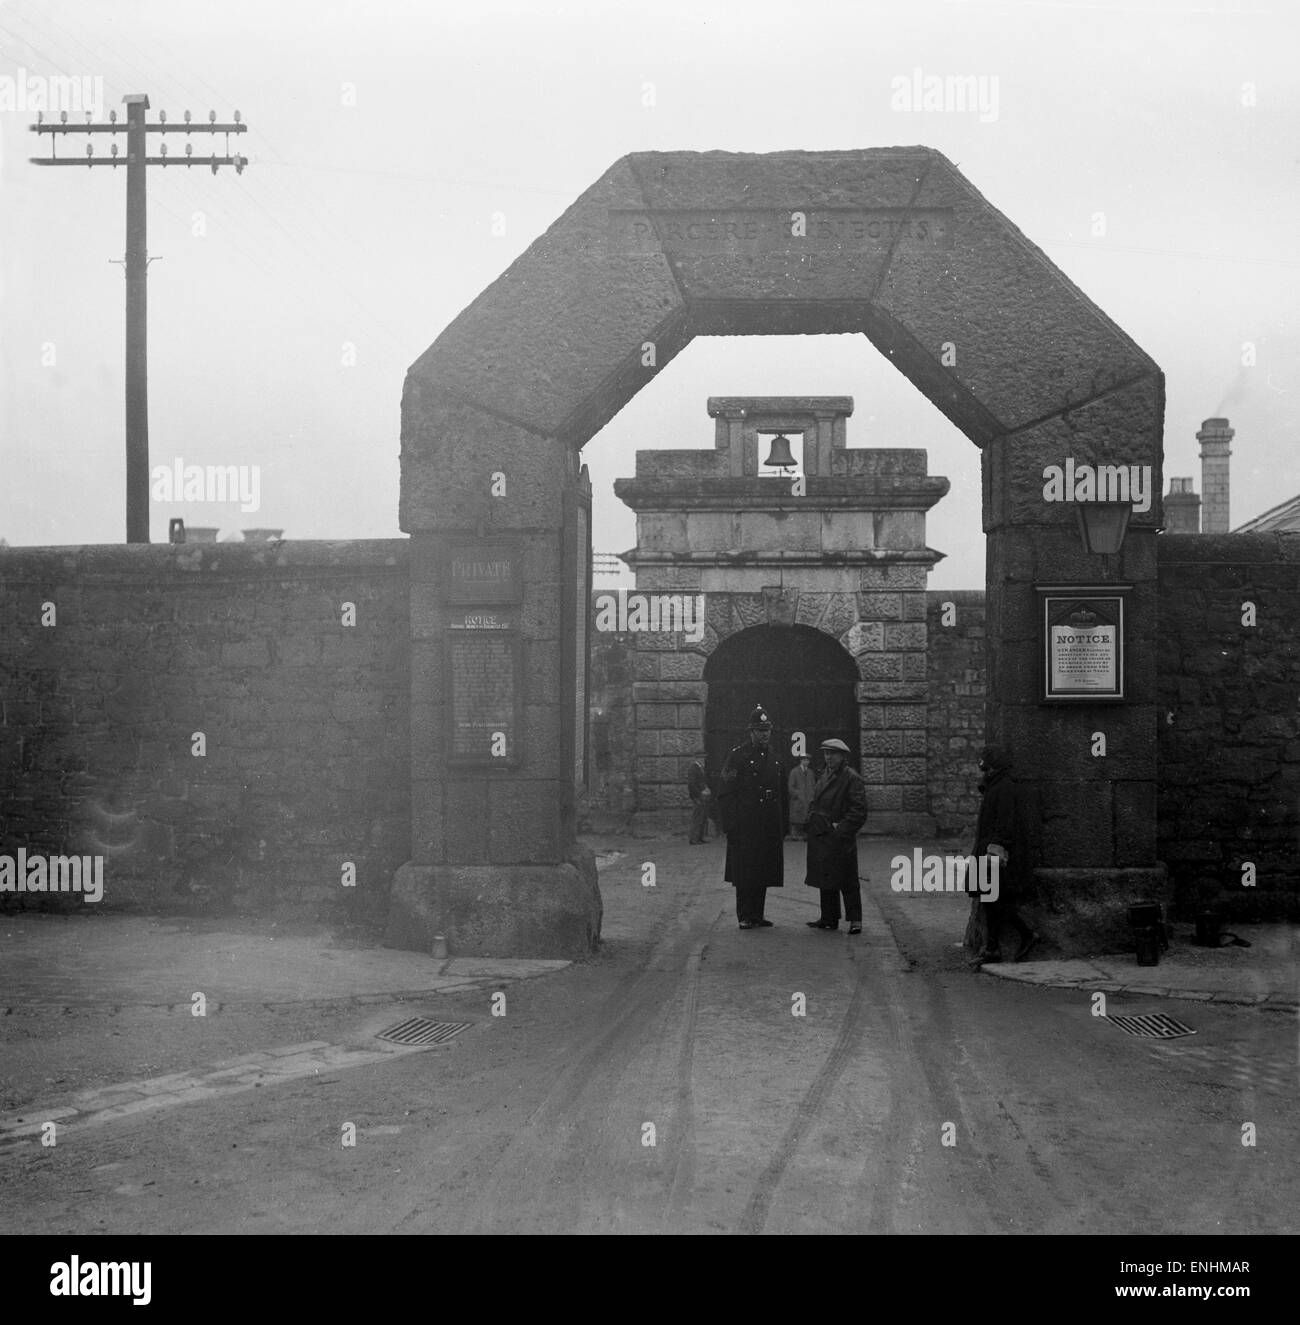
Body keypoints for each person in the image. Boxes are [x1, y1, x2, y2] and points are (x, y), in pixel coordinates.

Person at [967, 745, 1039, 963]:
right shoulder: (996, 785)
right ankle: (993, 947)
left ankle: (1022, 935)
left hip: (995, 853)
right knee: (990, 900)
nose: (982, 766)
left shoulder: (1004, 787)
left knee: (995, 900)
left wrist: (994, 849)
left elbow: (1005, 825)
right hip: (988, 851)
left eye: (985, 762)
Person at [717, 705, 785, 929]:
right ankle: (745, 915)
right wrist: (731, 826)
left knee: (762, 870)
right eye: (759, 730)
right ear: (751, 732)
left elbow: (780, 793)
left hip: (766, 825)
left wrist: (780, 824)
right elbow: (726, 793)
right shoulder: (738, 756)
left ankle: (757, 914)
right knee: (745, 872)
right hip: (745, 826)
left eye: (767, 730)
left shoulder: (774, 757)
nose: (764, 734)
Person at [804, 738, 869, 934]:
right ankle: (829, 918)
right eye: (826, 753)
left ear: (843, 756)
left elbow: (859, 812)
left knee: (848, 879)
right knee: (826, 877)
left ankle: (855, 920)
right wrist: (810, 818)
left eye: (833, 753)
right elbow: (816, 801)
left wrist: (840, 829)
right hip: (822, 834)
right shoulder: (824, 775)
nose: (828, 757)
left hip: (840, 837)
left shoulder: (851, 778)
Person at [687, 752, 714, 844]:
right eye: (701, 758)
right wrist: (697, 795)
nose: (703, 759)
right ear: (696, 758)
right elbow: (692, 784)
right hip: (698, 796)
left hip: (703, 796)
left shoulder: (700, 768)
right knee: (697, 818)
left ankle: (699, 837)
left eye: (703, 757)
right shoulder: (693, 768)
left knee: (702, 818)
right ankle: (694, 839)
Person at [787, 754, 815, 841]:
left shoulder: (811, 772)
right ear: (801, 761)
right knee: (796, 819)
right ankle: (794, 835)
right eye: (804, 760)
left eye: (807, 760)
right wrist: (798, 795)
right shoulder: (794, 771)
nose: (806, 762)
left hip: (808, 800)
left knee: (807, 818)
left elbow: (813, 785)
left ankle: (806, 835)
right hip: (797, 800)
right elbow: (790, 787)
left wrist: (812, 796)